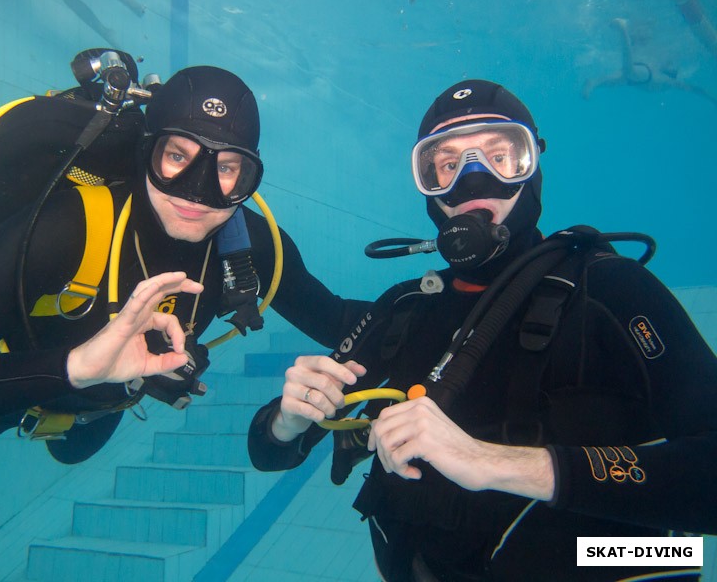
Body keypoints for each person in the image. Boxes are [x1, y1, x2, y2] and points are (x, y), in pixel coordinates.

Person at [248, 79, 717, 581]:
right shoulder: (406, 309)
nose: (474, 181)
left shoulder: (609, 290)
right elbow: (268, 454)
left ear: (532, 166)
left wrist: (495, 463)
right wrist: (288, 420)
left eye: (501, 156)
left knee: (666, 552)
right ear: (428, 185)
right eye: (448, 164)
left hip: (601, 566)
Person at [0, 65, 367, 485]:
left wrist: (435, 299)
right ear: (146, 149)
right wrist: (76, 368)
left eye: (227, 168)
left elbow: (342, 321)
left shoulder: (250, 246)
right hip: (2, 387)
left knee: (75, 452)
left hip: (101, 410)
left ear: (249, 175)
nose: (199, 191)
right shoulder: (69, 228)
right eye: (177, 155)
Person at [583, 17, 717, 107]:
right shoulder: (664, 79)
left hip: (640, 78)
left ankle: (594, 82)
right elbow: (693, 89)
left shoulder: (664, 78)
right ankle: (623, 29)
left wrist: (711, 97)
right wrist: (711, 98)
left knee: (619, 78)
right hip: (645, 76)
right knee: (627, 72)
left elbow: (693, 89)